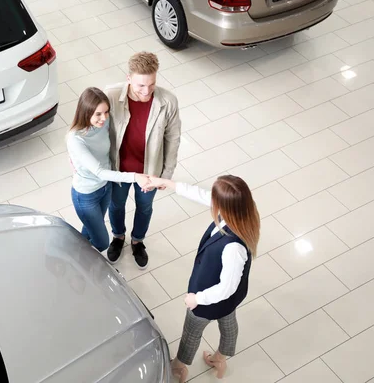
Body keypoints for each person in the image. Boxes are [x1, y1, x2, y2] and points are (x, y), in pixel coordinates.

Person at [144, 175, 260, 381]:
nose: (211, 201)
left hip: (210, 296)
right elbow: (201, 195)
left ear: (225, 206)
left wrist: (197, 299)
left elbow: (225, 288)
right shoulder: (242, 212)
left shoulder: (233, 247)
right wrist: (168, 184)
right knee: (228, 323)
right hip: (228, 299)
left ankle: (179, 368)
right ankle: (220, 359)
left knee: (191, 332)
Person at [105, 51, 182, 269]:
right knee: (116, 205)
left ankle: (138, 241)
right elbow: (92, 127)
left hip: (150, 172)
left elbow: (173, 139)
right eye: (140, 86)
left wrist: (166, 176)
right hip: (119, 170)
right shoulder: (110, 96)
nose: (146, 91)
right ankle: (118, 237)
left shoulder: (168, 101)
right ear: (128, 78)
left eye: (151, 84)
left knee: (145, 207)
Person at [67, 87, 151, 253]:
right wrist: (136, 177)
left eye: (106, 112)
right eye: (98, 114)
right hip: (86, 195)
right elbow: (99, 171)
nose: (104, 118)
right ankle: (82, 257)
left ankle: (80, 257)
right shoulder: (75, 139)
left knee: (89, 229)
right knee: (102, 242)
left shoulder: (104, 124)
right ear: (86, 112)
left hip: (105, 188)